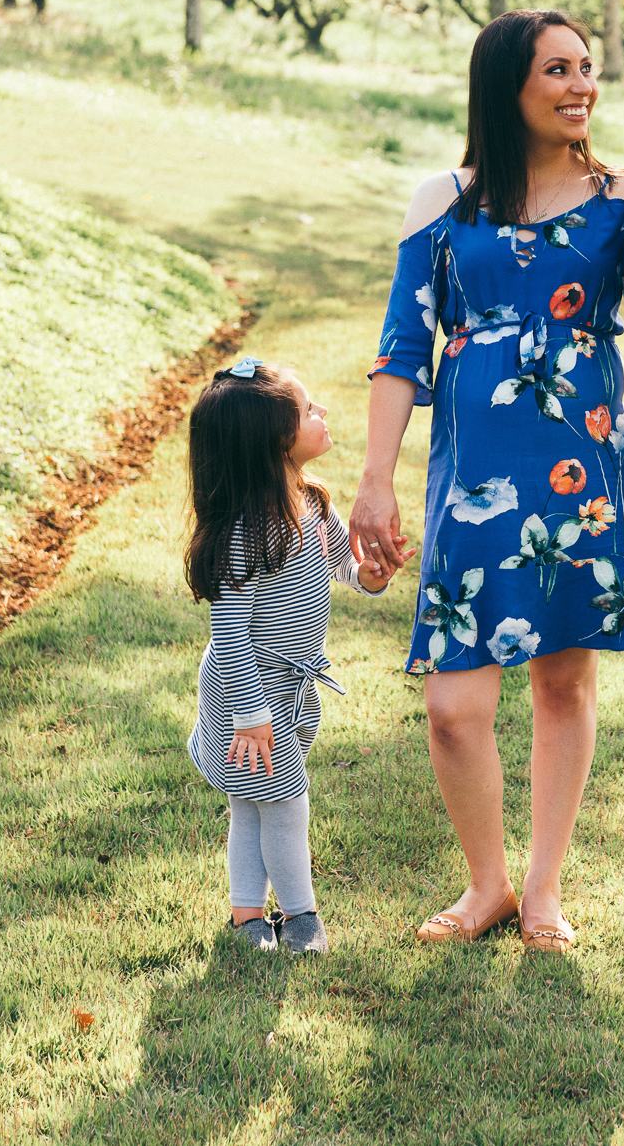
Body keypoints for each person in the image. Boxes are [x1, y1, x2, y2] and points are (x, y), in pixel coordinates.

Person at [350, 8, 624, 954]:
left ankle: (540, 890)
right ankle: (485, 883)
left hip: (581, 468)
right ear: (508, 87)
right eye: (558, 70)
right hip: (473, 484)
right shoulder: (445, 200)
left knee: (562, 682)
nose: (582, 85)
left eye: (587, 68)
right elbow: (401, 349)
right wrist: (375, 478)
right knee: (455, 705)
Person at [185, 356, 391, 955]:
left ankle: (248, 918)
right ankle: (301, 917)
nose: (322, 412)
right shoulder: (245, 534)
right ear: (276, 440)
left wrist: (369, 575)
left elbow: (339, 569)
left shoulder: (309, 504)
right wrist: (250, 716)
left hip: (288, 695)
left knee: (253, 807)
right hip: (245, 699)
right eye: (308, 410)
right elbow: (230, 638)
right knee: (285, 805)